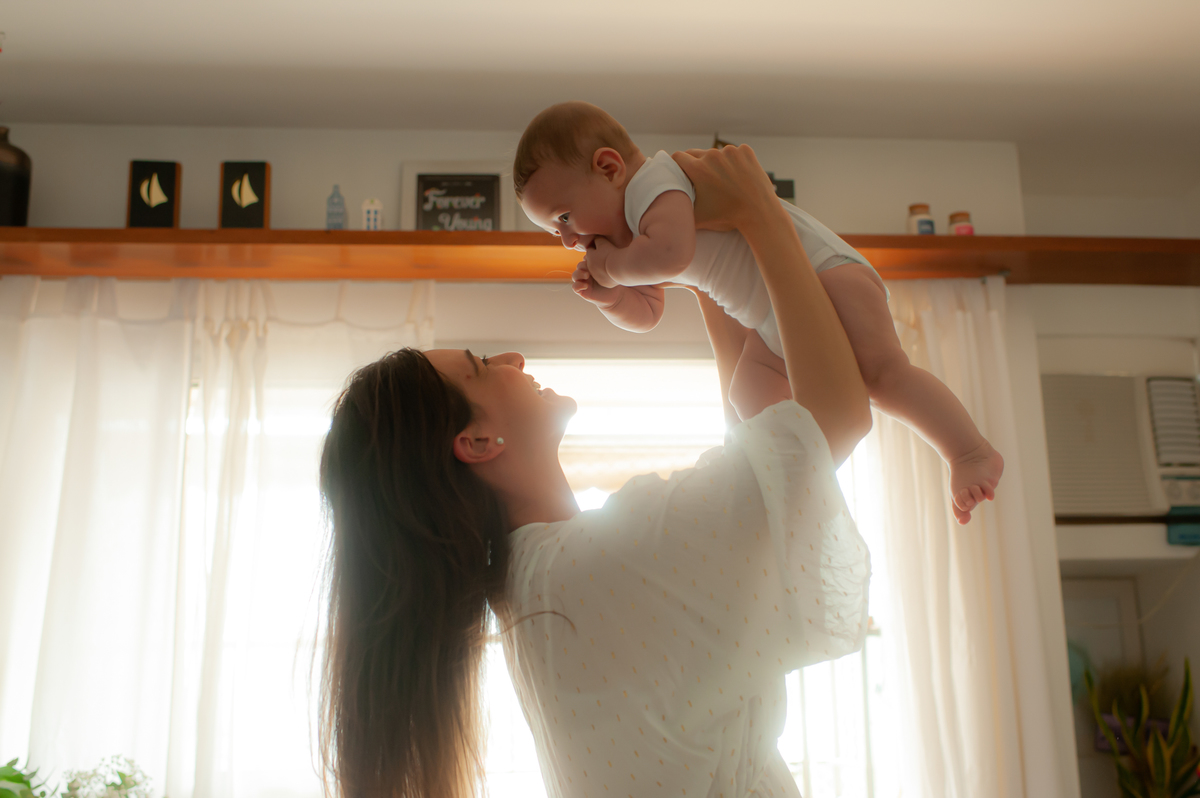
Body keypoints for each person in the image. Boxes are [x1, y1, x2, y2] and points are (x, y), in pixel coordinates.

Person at [318, 144, 872, 798]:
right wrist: (760, 214)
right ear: (478, 441)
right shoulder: (593, 565)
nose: (513, 357)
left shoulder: (540, 585)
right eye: (481, 365)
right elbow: (829, 421)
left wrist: (703, 264)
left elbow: (768, 454)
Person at [514, 101, 1003, 524]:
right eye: (555, 232)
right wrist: (611, 297)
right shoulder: (627, 239)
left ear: (609, 167)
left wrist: (611, 268)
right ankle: (794, 489)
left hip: (826, 275)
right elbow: (647, 313)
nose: (568, 239)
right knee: (747, 396)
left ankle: (969, 450)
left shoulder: (655, 185)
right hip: (774, 323)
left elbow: (672, 255)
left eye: (564, 217)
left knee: (883, 376)